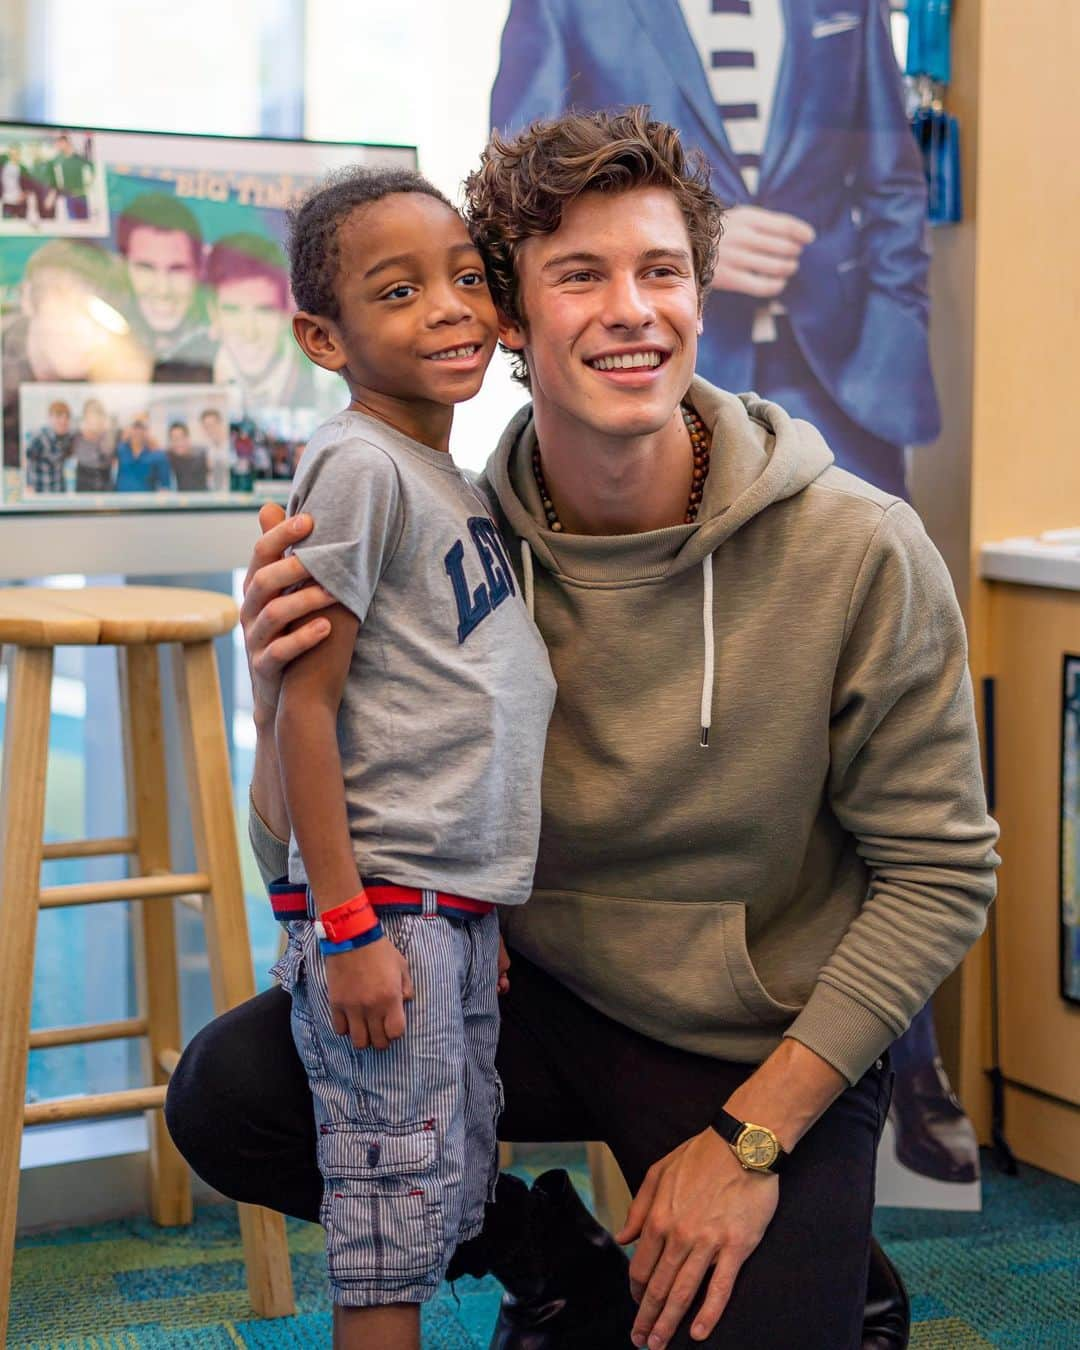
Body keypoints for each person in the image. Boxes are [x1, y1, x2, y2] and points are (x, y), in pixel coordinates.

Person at [167, 110, 998, 1350]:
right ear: (510, 316)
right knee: (235, 1095)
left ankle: (829, 1270)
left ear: (701, 294)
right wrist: (277, 692)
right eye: (580, 276)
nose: (632, 311)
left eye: (661, 271)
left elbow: (939, 875)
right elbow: (322, 830)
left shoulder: (860, 545)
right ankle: (543, 1252)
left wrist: (752, 1140)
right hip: (534, 993)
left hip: (748, 1031)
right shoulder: (437, 532)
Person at [270, 165, 555, 1350]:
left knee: (441, 1188)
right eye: (401, 292)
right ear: (324, 339)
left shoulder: (450, 477)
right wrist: (349, 926)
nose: (451, 309)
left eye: (467, 280)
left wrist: (468, 912)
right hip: (379, 912)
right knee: (386, 1225)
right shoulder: (358, 466)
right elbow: (305, 709)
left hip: (440, 911)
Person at [1, 239, 151, 469]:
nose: (91, 334)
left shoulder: (112, 372)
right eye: (73, 307)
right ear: (28, 298)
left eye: (102, 316)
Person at [206, 232, 319, 412]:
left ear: (286, 313)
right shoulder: (182, 370)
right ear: (213, 314)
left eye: (265, 310)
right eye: (233, 310)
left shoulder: (323, 381)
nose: (249, 332)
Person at [115, 192, 214, 381]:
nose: (162, 290)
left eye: (177, 269)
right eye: (146, 268)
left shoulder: (224, 345)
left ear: (199, 269)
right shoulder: (100, 342)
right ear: (123, 267)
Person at [24, 399, 72, 493]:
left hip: (59, 494)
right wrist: (28, 485)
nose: (63, 420)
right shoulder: (39, 437)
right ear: (50, 417)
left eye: (67, 417)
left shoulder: (67, 438)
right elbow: (26, 460)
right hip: (40, 493)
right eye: (58, 416)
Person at [113, 417, 171, 492]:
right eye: (135, 427)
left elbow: (165, 485)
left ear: (147, 431)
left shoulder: (158, 455)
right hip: (121, 500)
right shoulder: (120, 449)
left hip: (146, 501)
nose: (137, 432)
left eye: (141, 428)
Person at [72, 397, 115, 492]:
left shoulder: (108, 435)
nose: (94, 418)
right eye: (90, 414)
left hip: (105, 485)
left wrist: (102, 433)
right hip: (84, 486)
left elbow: (108, 454)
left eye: (97, 413)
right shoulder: (77, 435)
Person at [49, 133, 93, 222]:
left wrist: (88, 185)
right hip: (69, 196)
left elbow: (91, 167)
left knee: (85, 222)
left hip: (81, 195)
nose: (59, 146)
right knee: (73, 222)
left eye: (61, 143)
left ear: (67, 143)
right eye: (58, 144)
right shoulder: (58, 159)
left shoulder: (79, 157)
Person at [166, 419, 209, 492]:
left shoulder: (202, 456)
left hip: (203, 500)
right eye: (174, 439)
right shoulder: (170, 456)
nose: (178, 443)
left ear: (187, 438)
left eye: (181, 438)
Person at [198, 407, 232, 492]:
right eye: (206, 427)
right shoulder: (209, 449)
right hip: (214, 494)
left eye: (212, 425)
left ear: (220, 424)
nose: (209, 430)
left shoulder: (232, 446)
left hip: (232, 494)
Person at [1, 146, 28, 219]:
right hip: (7, 201)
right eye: (12, 154)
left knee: (21, 226)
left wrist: (24, 195)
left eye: (16, 154)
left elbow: (28, 185)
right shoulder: (3, 167)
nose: (14, 156)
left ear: (19, 155)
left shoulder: (23, 168)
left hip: (20, 202)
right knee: (7, 225)